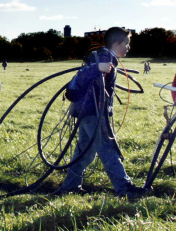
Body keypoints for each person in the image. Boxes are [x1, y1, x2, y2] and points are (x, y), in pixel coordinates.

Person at [56, 27, 145, 198]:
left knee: (85, 152)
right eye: (126, 43)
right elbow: (84, 76)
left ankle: (70, 186)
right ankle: (124, 188)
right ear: (116, 43)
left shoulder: (105, 56)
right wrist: (98, 67)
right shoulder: (104, 57)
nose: (128, 47)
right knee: (107, 149)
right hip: (93, 113)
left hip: (87, 112)